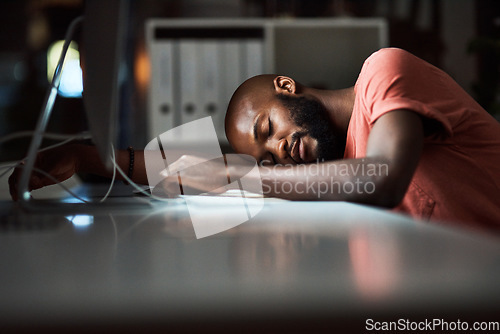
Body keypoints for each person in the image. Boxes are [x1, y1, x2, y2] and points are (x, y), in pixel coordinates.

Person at [8, 48, 500, 232]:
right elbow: (192, 167)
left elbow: (385, 178)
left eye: (268, 129)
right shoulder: (331, 163)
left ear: (286, 87)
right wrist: (88, 156)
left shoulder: (382, 73)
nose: (277, 152)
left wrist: (247, 175)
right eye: (266, 155)